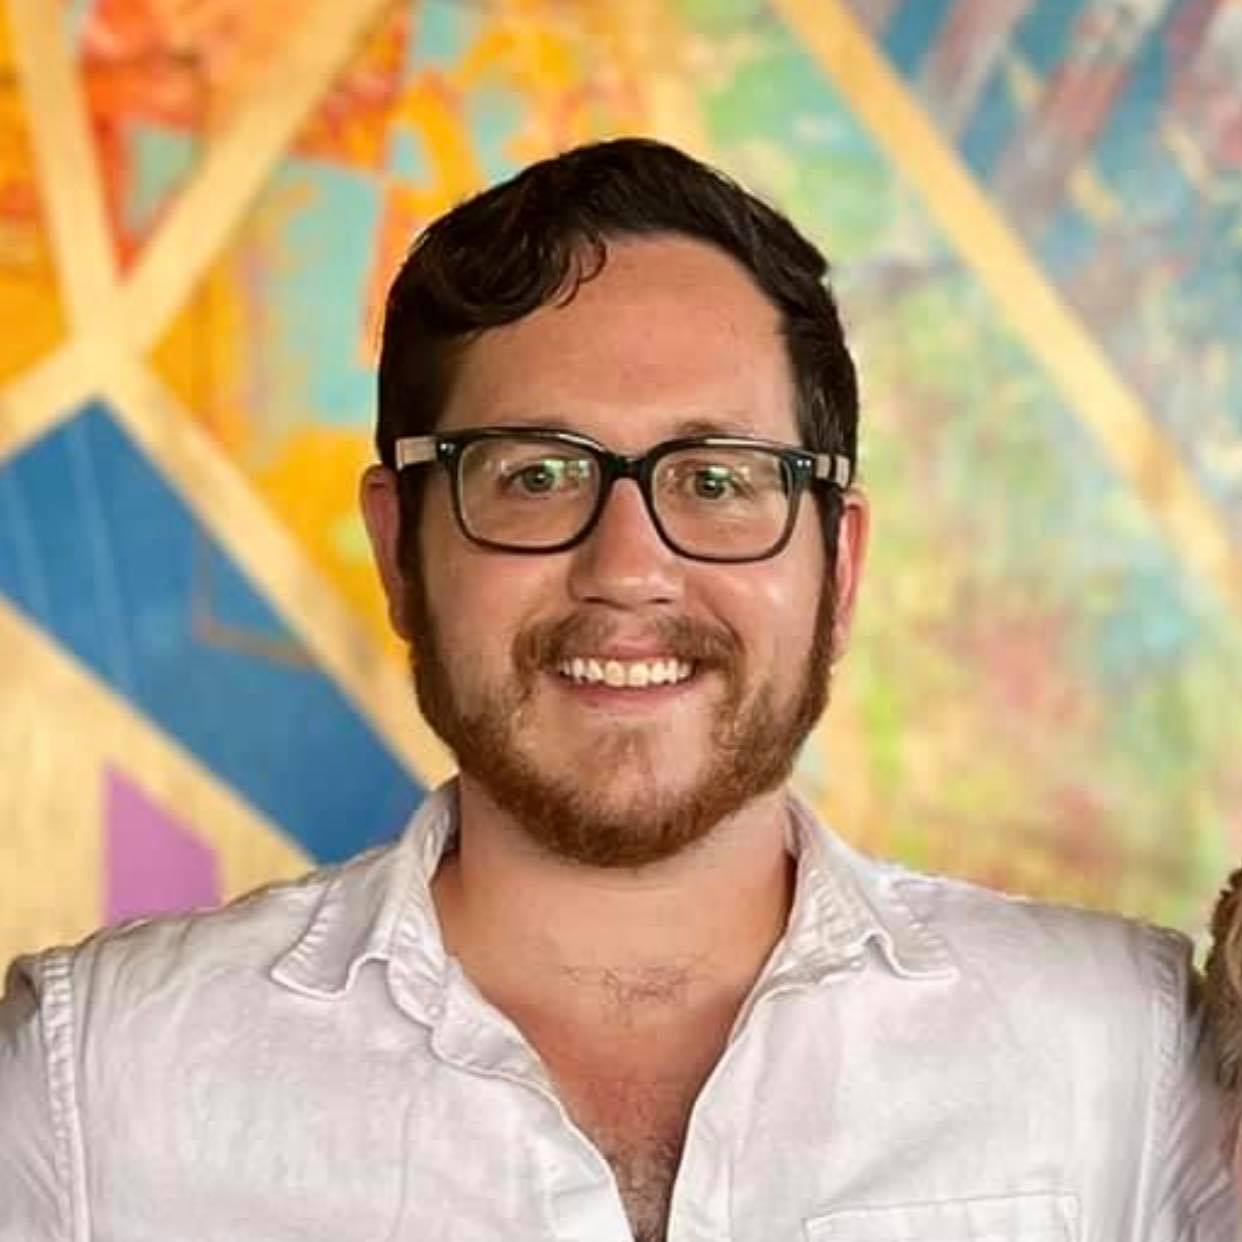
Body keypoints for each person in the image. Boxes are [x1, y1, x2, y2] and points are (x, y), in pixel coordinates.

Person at [0, 138, 1235, 1242]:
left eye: (715, 479)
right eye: (534, 475)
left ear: (839, 563)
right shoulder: (89, 1086)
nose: (629, 567)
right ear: (398, 550)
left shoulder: (1128, 1051)